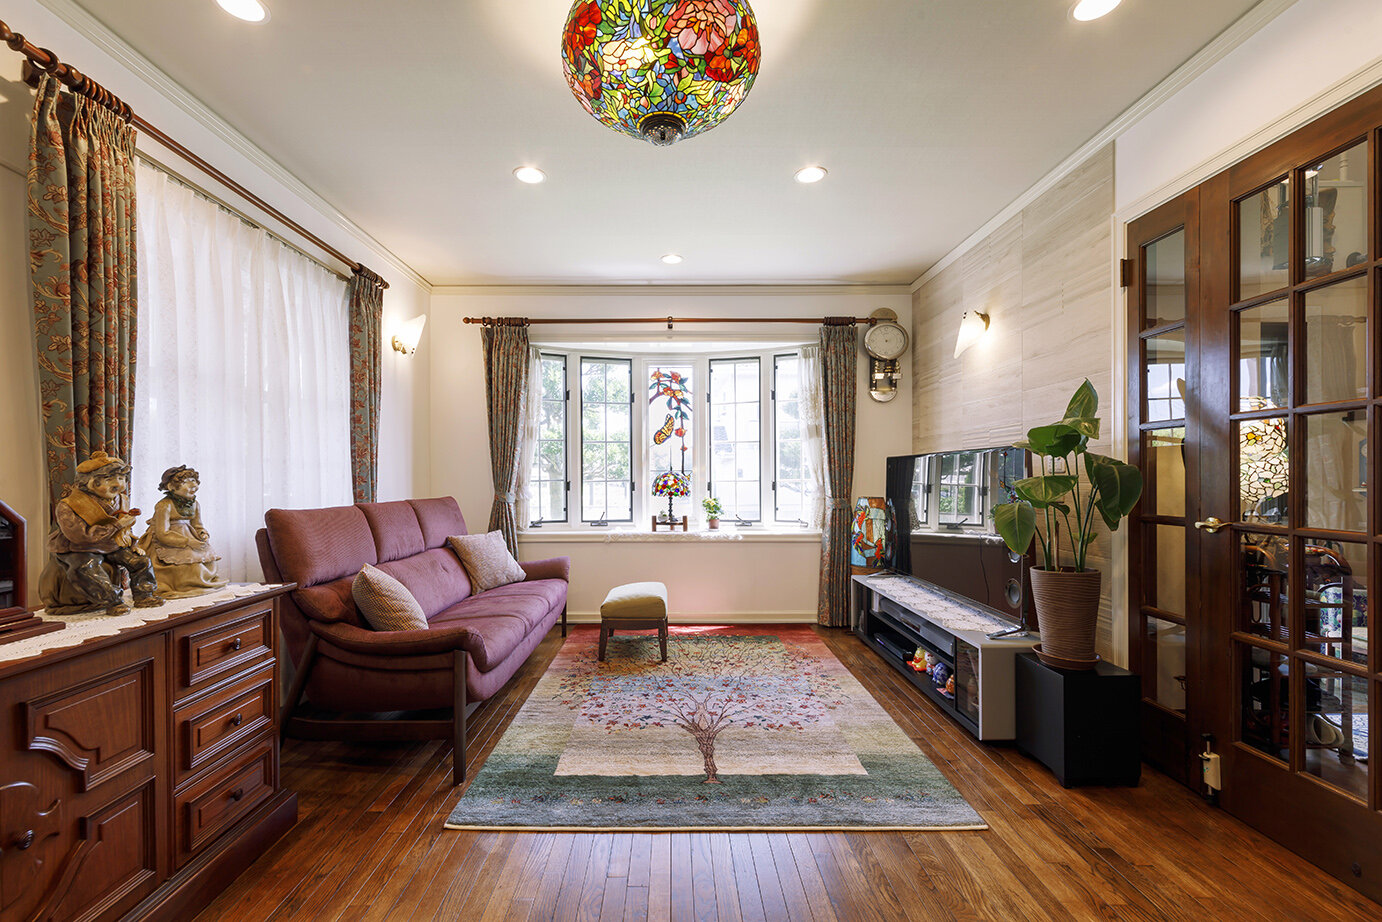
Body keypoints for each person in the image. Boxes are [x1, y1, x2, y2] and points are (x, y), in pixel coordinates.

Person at [39, 451, 163, 615]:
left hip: (110, 544)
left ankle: (144, 595)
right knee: (85, 568)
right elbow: (80, 536)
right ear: (89, 482)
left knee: (141, 561)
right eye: (109, 479)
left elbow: (125, 529)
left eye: (121, 478)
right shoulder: (69, 505)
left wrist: (132, 543)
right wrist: (117, 525)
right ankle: (113, 601)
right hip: (78, 548)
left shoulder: (121, 499)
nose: (117, 484)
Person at [139, 465, 228, 598]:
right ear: (171, 487)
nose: (193, 485)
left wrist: (202, 534)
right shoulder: (164, 505)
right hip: (169, 540)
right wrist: (188, 542)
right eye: (186, 482)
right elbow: (162, 534)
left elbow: (197, 525)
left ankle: (202, 584)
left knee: (205, 561)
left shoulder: (195, 504)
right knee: (187, 567)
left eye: (194, 480)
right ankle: (184, 585)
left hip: (189, 537)